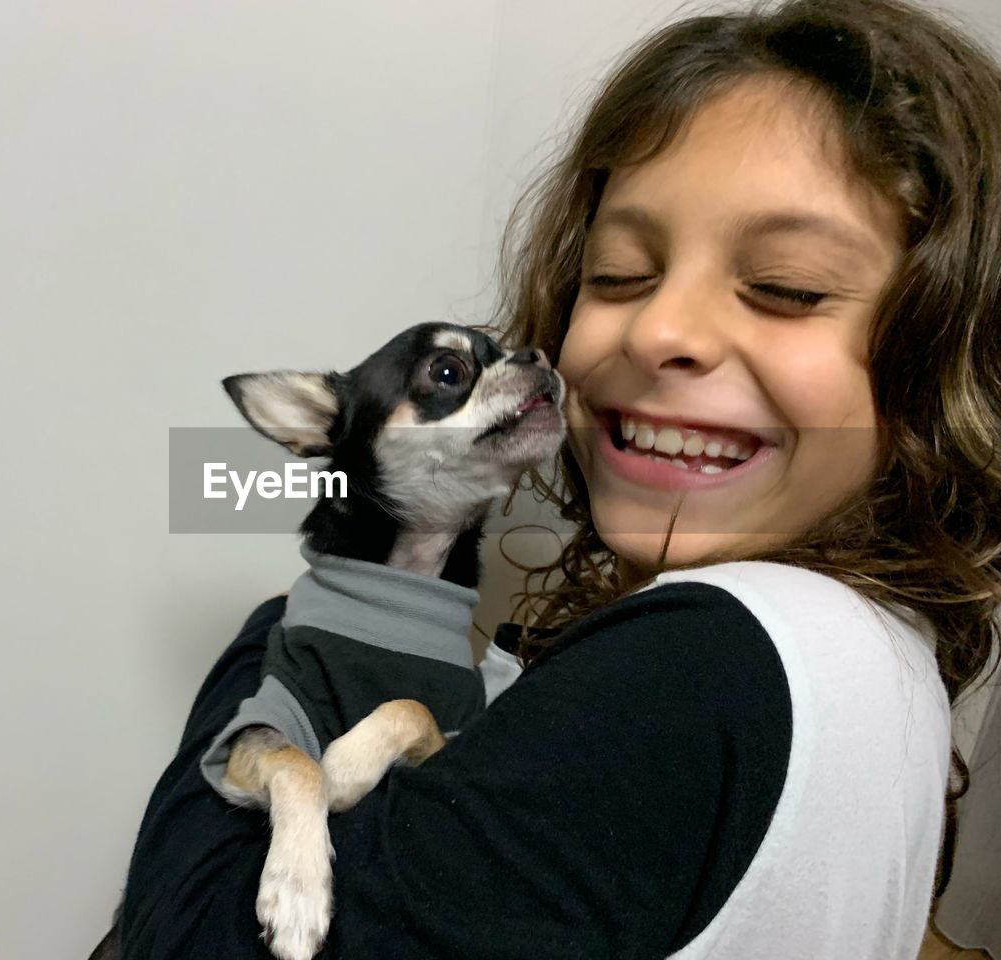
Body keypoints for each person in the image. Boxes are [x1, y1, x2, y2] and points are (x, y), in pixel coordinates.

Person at [112, 0, 1001, 956]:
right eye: (617, 274)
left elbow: (186, 937)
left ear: (944, 350)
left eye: (785, 286)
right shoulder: (883, 652)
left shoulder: (693, 675)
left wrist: (271, 636)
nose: (661, 331)